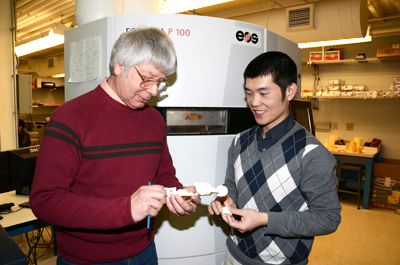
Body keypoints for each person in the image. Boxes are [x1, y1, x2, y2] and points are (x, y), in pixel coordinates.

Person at [30, 27, 201, 265]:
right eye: (147, 78)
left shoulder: (153, 120)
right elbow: (45, 201)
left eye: (160, 82)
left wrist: (178, 195)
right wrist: (125, 209)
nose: (153, 91)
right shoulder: (69, 117)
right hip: (87, 260)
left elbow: (164, 174)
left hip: (145, 252)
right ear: (119, 66)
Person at [208, 51, 341, 265]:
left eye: (263, 93)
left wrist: (264, 219)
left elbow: (328, 218)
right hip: (234, 255)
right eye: (249, 93)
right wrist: (225, 199)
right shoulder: (239, 141)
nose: (254, 102)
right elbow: (231, 184)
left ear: (289, 91)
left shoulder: (312, 154)